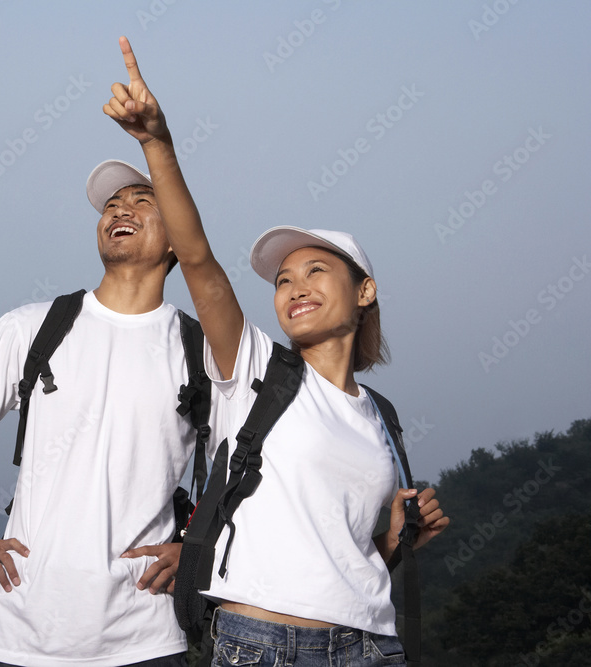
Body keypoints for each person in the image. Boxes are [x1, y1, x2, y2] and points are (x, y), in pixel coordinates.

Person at [103, 37, 451, 666]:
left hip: (371, 644)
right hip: (264, 644)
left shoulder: (382, 418)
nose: (294, 287)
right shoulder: (255, 370)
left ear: (364, 290)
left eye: (316, 271)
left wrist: (401, 536)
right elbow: (201, 263)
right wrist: (156, 143)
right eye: (283, 280)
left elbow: (355, 557)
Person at [0, 158, 213, 666]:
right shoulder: (33, 327)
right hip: (22, 631)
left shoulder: (202, 351)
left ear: (177, 241)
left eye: (142, 200)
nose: (120, 209)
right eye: (111, 204)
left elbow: (250, 467)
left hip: (145, 634)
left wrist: (198, 550)